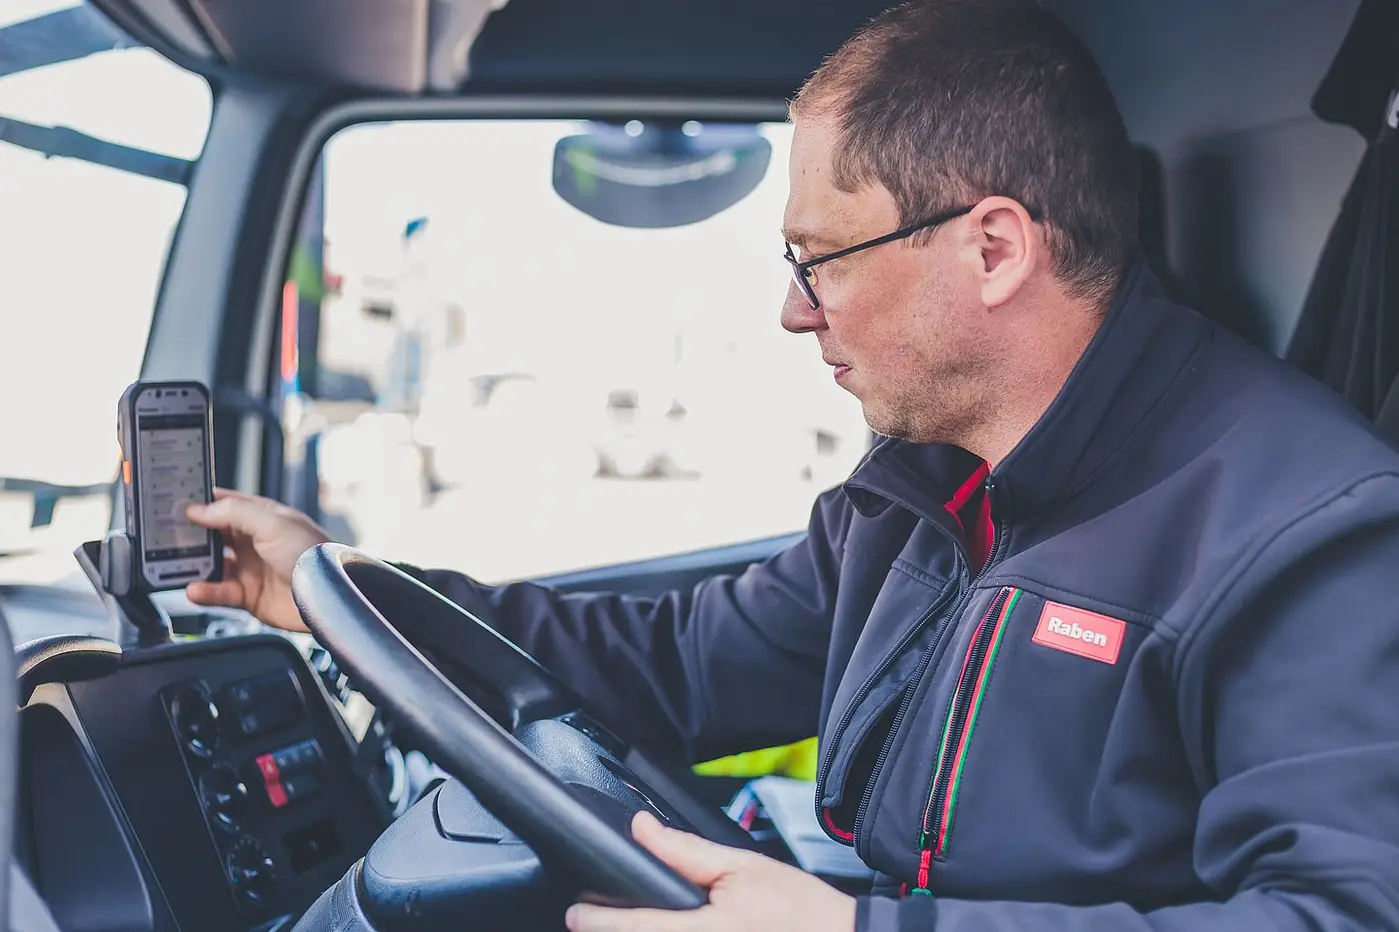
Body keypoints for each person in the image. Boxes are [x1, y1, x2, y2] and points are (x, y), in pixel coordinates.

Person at [186, 1, 1399, 929]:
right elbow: (670, 668)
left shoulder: (1303, 532)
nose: (791, 310)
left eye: (817, 256)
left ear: (991, 249)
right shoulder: (920, 491)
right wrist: (337, 583)